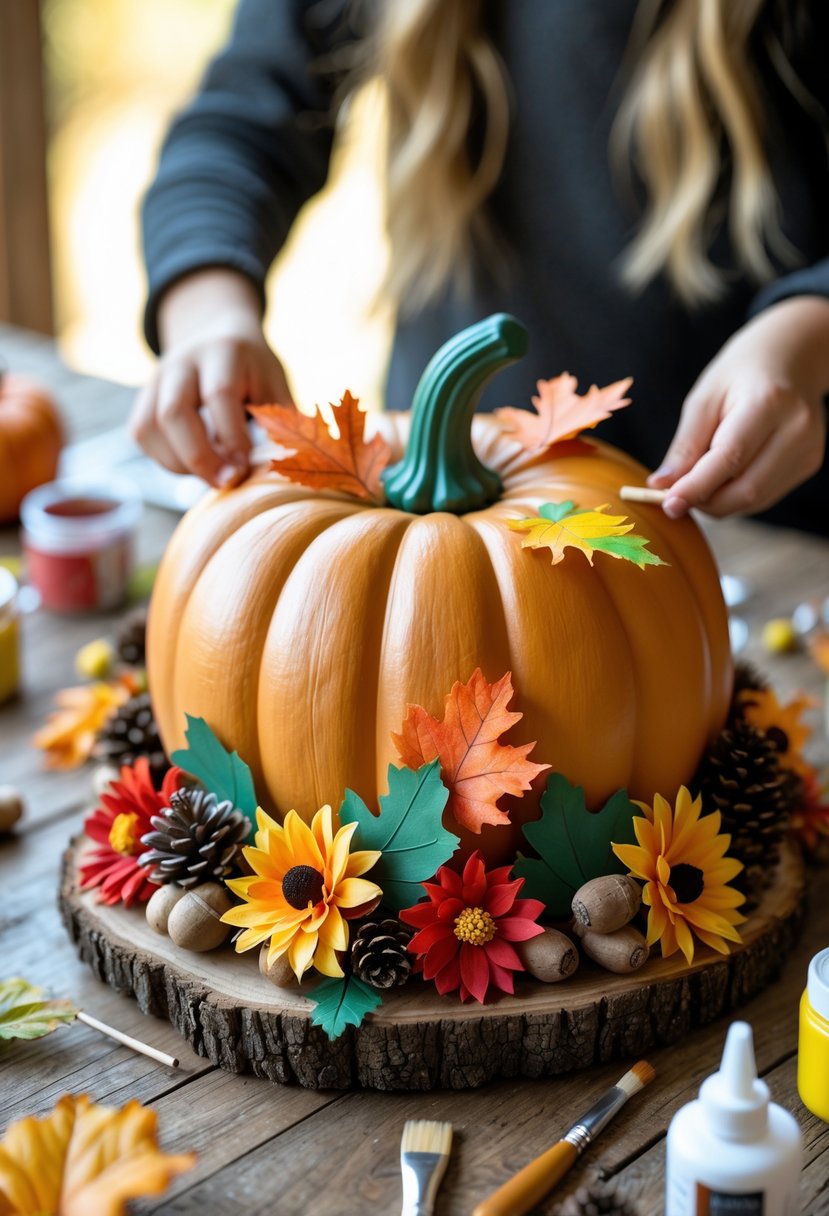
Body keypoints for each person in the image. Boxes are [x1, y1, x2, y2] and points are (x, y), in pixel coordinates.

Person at [132, 0, 829, 534]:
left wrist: (802, 337)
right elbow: (237, 126)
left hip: (761, 529)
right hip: (433, 504)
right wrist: (206, 315)